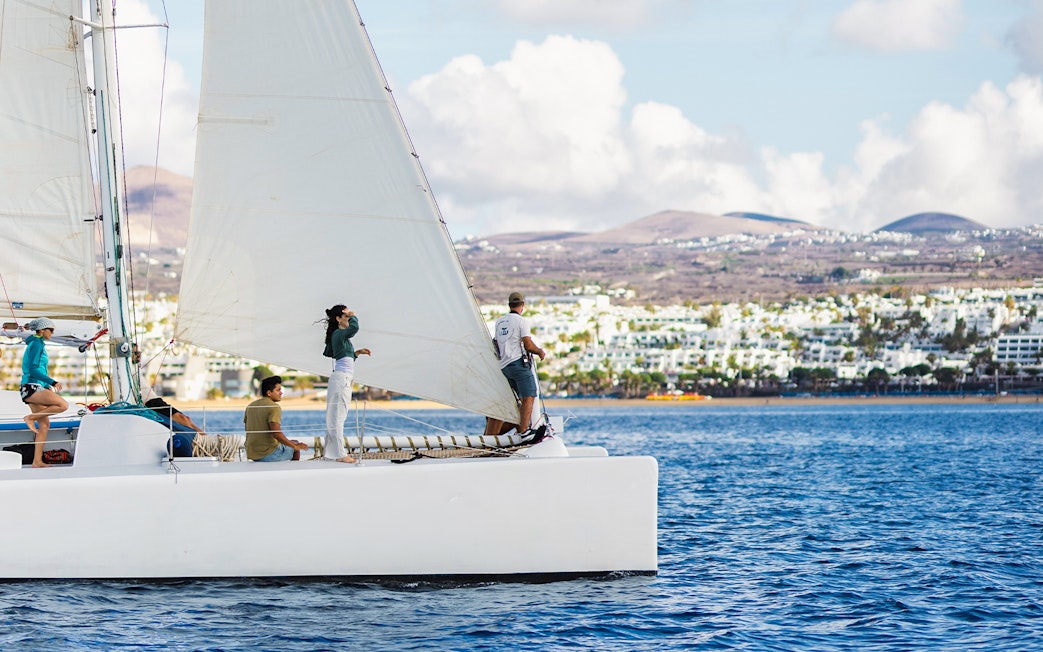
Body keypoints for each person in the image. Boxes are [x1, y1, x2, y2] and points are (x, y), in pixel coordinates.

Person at [487, 292, 546, 436]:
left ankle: (508, 432)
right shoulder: (522, 321)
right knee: (529, 395)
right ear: (522, 305)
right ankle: (524, 432)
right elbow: (528, 344)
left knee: (518, 402)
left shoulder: (499, 321)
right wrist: (539, 351)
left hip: (504, 367)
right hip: (518, 365)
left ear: (509, 305)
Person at [322, 304, 371, 463]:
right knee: (337, 417)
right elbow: (354, 328)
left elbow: (345, 358)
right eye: (346, 317)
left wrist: (357, 353)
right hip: (341, 380)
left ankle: (331, 453)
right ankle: (339, 454)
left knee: (335, 417)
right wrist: (353, 316)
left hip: (343, 378)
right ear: (338, 319)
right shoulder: (339, 334)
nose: (349, 319)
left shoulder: (341, 337)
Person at [20, 317, 68, 468]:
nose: (52, 333)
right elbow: (33, 369)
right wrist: (53, 382)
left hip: (32, 387)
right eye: (51, 330)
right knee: (63, 405)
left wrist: (47, 384)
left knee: (44, 425)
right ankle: (30, 418)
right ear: (42, 330)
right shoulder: (37, 343)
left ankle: (37, 462)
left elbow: (39, 369)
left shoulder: (36, 342)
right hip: (31, 387)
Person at [244, 376, 308, 462]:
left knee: (293, 442)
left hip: (252, 453)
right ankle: (292, 473)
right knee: (295, 447)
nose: (281, 393)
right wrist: (295, 447)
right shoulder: (274, 407)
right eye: (278, 390)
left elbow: (247, 428)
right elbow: (276, 434)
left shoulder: (251, 406)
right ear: (269, 393)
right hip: (268, 454)